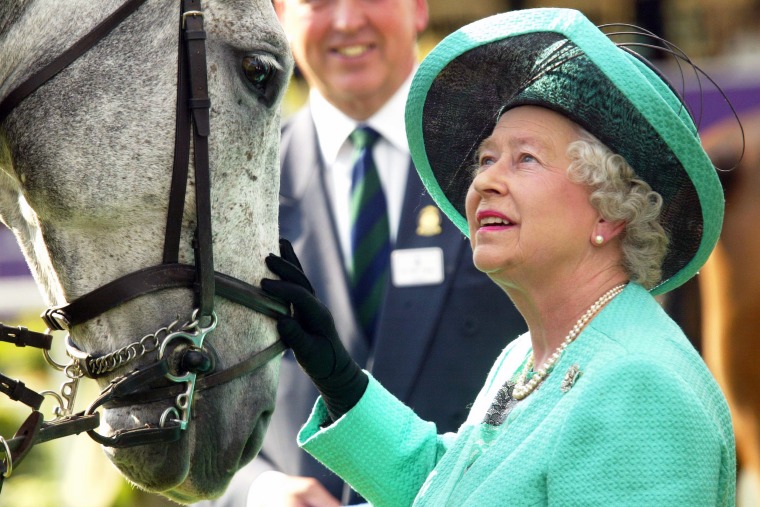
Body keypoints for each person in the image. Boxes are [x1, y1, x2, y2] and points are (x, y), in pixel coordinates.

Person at [259, 8, 737, 506]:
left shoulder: (638, 387)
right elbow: (451, 490)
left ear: (609, 212)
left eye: (525, 158)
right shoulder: (527, 357)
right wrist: (343, 385)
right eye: (487, 159)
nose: (485, 180)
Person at [202, 0, 526, 505]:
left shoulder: (508, 167)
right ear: (280, 16)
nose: (348, 20)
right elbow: (195, 394)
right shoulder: (233, 190)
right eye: (318, 1)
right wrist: (256, 491)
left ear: (418, 8)